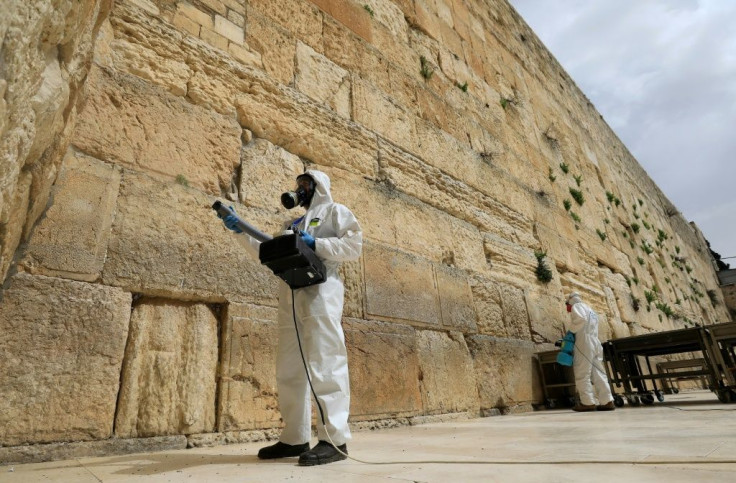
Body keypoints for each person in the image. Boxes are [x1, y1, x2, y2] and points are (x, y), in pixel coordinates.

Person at [220, 170, 362, 465]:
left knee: (326, 364)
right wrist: (240, 232)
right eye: (299, 185)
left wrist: (316, 244)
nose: (300, 189)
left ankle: (334, 441)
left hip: (321, 296)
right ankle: (295, 438)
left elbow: (353, 246)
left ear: (319, 186)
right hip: (291, 298)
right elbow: (268, 252)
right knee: (290, 370)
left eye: (306, 184)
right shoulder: (291, 224)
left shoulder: (336, 212)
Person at [565, 292, 615, 412]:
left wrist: (570, 331)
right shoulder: (590, 309)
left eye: (567, 304)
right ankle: (607, 400)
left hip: (584, 342)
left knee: (582, 372)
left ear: (571, 301)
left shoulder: (577, 307)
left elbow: (580, 319)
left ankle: (587, 403)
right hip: (595, 342)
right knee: (598, 372)